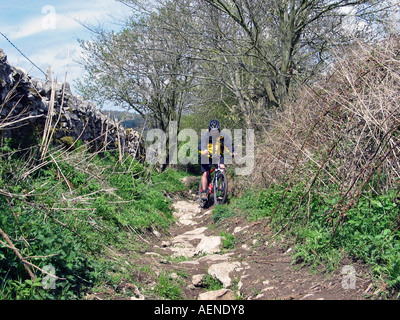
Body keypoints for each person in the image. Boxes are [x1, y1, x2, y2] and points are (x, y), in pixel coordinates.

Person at [198, 119, 235, 200]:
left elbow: (229, 145)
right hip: (206, 156)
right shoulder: (205, 136)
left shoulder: (222, 136)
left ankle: (223, 188)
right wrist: (203, 151)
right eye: (213, 131)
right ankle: (204, 192)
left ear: (219, 129)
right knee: (205, 173)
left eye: (216, 130)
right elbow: (201, 145)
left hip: (218, 155)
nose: (214, 132)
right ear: (210, 129)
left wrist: (233, 152)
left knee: (222, 168)